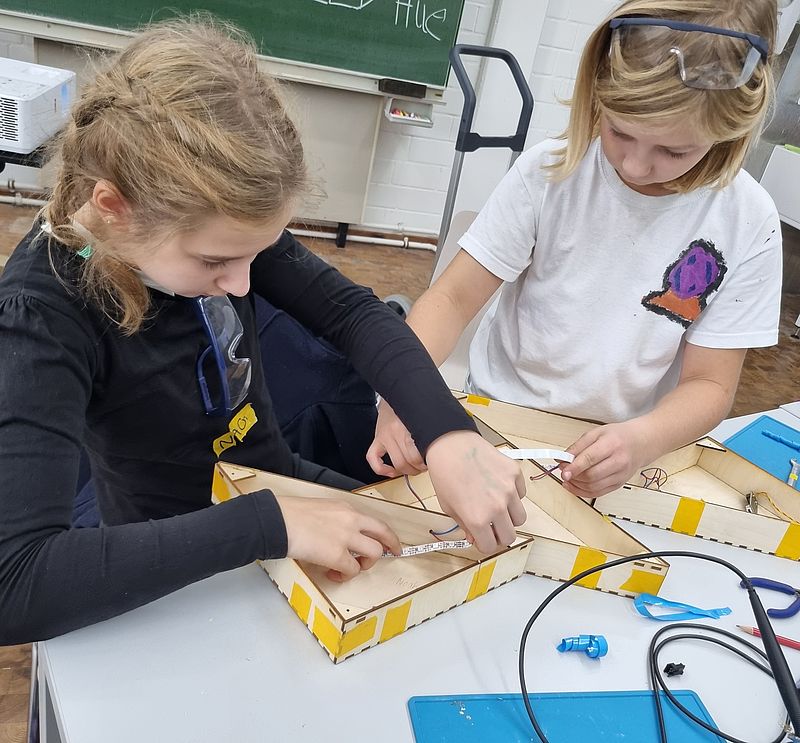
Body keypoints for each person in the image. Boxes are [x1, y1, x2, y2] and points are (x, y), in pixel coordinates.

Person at [0, 19, 527, 645]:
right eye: (214, 262)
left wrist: (448, 434)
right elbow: (16, 585)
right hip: (174, 550)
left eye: (258, 253)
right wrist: (268, 525)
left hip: (279, 488)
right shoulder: (40, 317)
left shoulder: (215, 224)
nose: (244, 284)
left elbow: (352, 314)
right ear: (113, 207)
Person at [369, 0, 783, 500]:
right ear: (597, 92)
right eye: (619, 131)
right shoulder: (550, 172)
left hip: (624, 449)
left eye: (674, 151)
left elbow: (710, 385)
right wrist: (404, 395)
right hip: (499, 416)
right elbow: (452, 299)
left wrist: (643, 440)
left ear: (731, 129)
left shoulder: (748, 220)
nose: (634, 166)